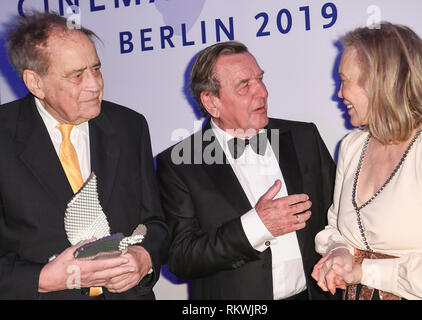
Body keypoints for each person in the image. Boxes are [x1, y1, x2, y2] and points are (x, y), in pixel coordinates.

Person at [0, 12, 169, 299]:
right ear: (35, 83)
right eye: (76, 75)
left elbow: (156, 223)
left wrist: (144, 257)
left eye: (96, 69)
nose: (95, 85)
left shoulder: (129, 126)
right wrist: (42, 279)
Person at [156, 41, 336, 300]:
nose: (262, 92)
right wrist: (256, 226)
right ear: (211, 102)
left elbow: (339, 214)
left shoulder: (303, 136)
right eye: (245, 85)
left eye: (260, 79)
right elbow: (181, 259)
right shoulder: (179, 164)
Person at [312, 22, 422, 300]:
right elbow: (336, 230)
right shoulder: (352, 147)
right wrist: (338, 252)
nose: (339, 94)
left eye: (344, 80)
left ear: (379, 82)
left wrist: (364, 271)